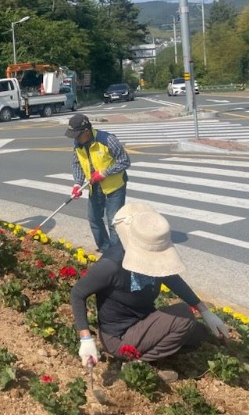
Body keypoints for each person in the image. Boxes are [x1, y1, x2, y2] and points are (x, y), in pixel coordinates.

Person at [71, 202, 228, 380]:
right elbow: (77, 293)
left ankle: (146, 352)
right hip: (119, 337)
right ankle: (138, 364)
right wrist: (85, 337)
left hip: (143, 322)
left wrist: (204, 310)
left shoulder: (153, 260)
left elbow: (171, 278)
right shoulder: (111, 266)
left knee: (197, 333)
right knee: (184, 315)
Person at [65, 113, 131, 253]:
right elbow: (77, 163)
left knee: (114, 222)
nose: (75, 139)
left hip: (115, 186)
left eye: (77, 135)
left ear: (87, 132)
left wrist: (104, 173)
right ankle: (105, 249)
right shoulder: (78, 144)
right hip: (94, 186)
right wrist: (77, 183)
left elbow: (125, 161)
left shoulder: (107, 140)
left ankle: (115, 254)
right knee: (94, 218)